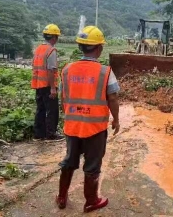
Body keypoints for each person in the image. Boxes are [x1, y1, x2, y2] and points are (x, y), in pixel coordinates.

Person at [56, 26, 120, 213]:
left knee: (69, 161)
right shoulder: (105, 72)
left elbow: (63, 96)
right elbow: (113, 97)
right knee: (92, 165)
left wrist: (69, 115)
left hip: (73, 126)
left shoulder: (67, 70)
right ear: (99, 48)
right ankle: (91, 201)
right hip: (95, 128)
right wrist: (116, 119)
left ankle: (62, 197)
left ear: (80, 47)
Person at [31, 24, 63, 141]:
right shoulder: (51, 50)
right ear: (54, 37)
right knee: (52, 110)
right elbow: (51, 69)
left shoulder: (38, 49)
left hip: (38, 84)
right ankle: (51, 134)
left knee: (40, 109)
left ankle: (39, 134)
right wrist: (53, 88)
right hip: (48, 85)